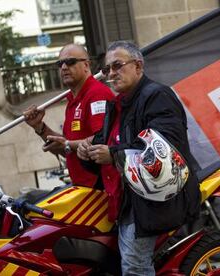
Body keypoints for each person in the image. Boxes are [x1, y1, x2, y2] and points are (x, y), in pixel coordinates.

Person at [77, 40, 200, 275]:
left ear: (138, 66)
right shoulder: (115, 105)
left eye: (118, 65)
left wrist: (112, 155)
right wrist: (88, 152)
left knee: (134, 267)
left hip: (150, 200)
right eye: (107, 69)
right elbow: (105, 150)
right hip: (124, 200)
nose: (112, 73)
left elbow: (164, 148)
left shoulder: (157, 96)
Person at [24, 43, 115, 188]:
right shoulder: (73, 99)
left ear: (86, 65)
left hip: (100, 188)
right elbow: (67, 150)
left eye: (70, 62)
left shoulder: (97, 94)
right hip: (82, 187)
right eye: (60, 64)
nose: (64, 67)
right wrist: (39, 127)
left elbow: (102, 140)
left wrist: (67, 144)